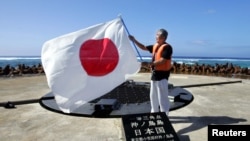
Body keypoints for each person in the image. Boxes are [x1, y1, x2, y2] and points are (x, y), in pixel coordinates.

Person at [129, 28, 173, 115]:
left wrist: (150, 63)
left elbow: (163, 60)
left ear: (163, 37)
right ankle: (154, 114)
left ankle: (165, 116)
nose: (155, 36)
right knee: (153, 97)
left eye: (157, 35)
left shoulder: (167, 48)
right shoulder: (155, 45)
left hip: (162, 76)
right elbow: (143, 47)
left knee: (162, 98)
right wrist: (134, 40)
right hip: (155, 75)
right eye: (156, 34)